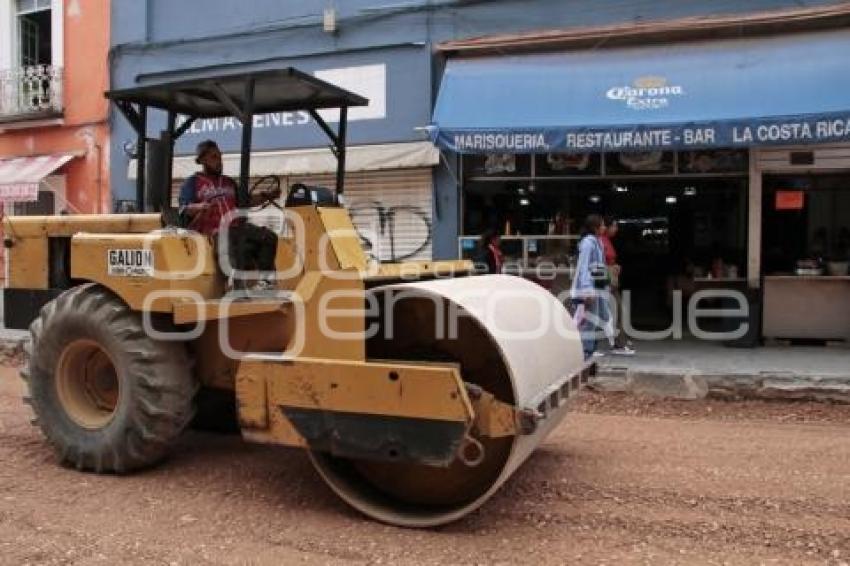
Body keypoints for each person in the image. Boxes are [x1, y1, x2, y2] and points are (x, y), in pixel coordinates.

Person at [178, 140, 280, 292]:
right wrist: (200, 207)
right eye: (214, 157)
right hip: (212, 232)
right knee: (228, 237)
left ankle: (267, 282)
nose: (219, 161)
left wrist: (267, 196)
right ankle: (235, 285)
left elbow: (246, 202)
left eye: (220, 157)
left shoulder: (229, 182)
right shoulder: (192, 183)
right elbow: (184, 209)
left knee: (269, 236)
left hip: (236, 227)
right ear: (203, 160)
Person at [571, 214, 608, 360]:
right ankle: (584, 351)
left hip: (594, 287)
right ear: (595, 227)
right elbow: (583, 267)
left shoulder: (597, 242)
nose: (604, 227)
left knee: (593, 318)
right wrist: (587, 289)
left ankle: (587, 349)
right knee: (587, 320)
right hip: (587, 289)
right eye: (603, 225)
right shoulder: (588, 243)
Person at [600, 216, 635, 355]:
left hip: (611, 280)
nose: (616, 229)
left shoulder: (606, 240)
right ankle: (618, 343)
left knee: (618, 311)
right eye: (614, 226)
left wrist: (614, 266)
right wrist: (610, 270)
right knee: (614, 312)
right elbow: (600, 262)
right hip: (606, 281)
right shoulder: (599, 241)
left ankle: (620, 342)